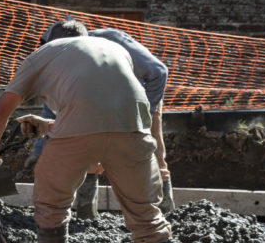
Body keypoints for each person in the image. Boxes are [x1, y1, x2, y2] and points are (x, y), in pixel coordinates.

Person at [0, 19, 185, 243]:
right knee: (147, 214)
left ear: (48, 41)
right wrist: (51, 125)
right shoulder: (111, 47)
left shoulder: (43, 53)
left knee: (51, 202)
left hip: (80, 132)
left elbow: (2, 109)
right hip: (135, 130)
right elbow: (102, 113)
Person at [23, 21, 175, 217]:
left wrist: (145, 114)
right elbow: (54, 105)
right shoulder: (63, 60)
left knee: (151, 147)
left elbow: (159, 72)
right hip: (100, 95)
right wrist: (38, 150)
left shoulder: (113, 40)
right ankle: (87, 212)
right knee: (91, 144)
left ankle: (165, 207)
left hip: (143, 92)